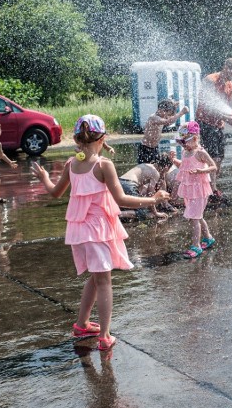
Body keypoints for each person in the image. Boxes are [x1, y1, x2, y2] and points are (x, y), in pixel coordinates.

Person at [29, 115, 169, 351]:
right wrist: (153, 199)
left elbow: (55, 193)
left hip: (79, 231)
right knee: (104, 281)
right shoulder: (103, 165)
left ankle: (82, 324)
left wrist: (44, 178)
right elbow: (122, 199)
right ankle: (105, 336)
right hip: (97, 230)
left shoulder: (72, 164)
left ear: (76, 138)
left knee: (96, 277)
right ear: (102, 138)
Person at [196, 58, 232, 200]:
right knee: (210, 157)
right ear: (225, 67)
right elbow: (207, 106)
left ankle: (211, 186)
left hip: (218, 126)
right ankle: (210, 189)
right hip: (205, 123)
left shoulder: (231, 86)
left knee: (220, 158)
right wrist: (229, 119)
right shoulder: (210, 80)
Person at [174, 122, 218, 258]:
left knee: (194, 218)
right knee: (197, 217)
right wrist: (174, 160)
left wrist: (201, 170)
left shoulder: (200, 152)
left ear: (195, 138)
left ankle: (196, 246)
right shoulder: (185, 152)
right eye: (181, 142)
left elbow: (214, 166)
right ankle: (208, 238)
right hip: (190, 190)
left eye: (185, 142)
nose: (183, 145)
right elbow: (184, 166)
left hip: (200, 190)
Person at [138, 99, 189, 164]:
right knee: (146, 169)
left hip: (154, 147)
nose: (167, 117)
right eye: (167, 114)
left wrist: (173, 105)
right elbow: (168, 122)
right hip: (145, 148)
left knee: (156, 167)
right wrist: (181, 113)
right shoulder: (154, 118)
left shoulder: (161, 116)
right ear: (161, 110)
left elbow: (170, 120)